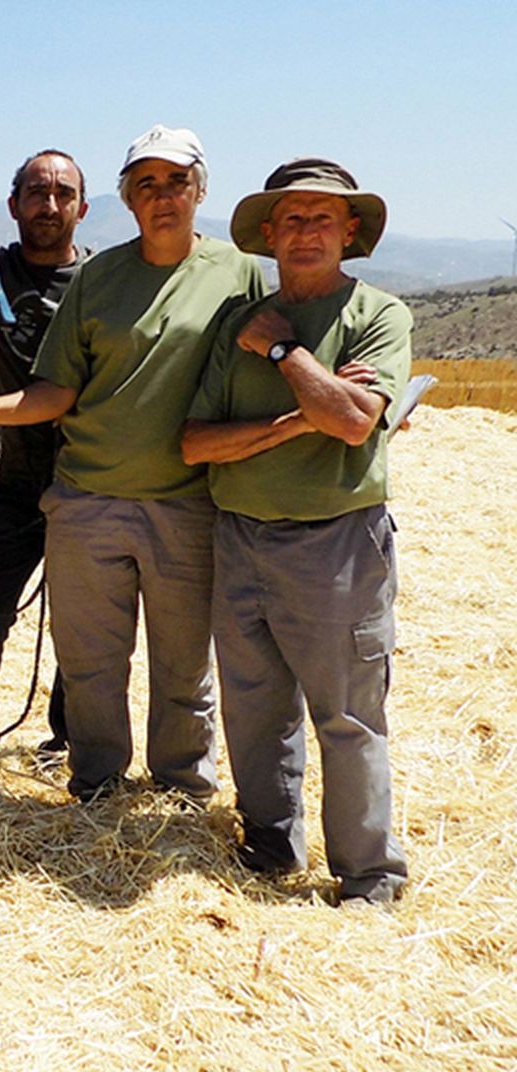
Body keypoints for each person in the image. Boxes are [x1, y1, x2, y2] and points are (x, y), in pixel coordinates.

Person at [0, 125, 264, 802]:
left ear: (199, 189)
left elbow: (264, 359)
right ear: (129, 200)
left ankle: (182, 789)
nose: (162, 197)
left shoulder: (239, 274)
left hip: (187, 501)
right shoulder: (97, 277)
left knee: (182, 668)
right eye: (146, 184)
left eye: (176, 181)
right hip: (83, 496)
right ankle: (92, 782)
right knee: (87, 661)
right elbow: (58, 387)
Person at [181, 159, 411, 906]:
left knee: (346, 715)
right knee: (253, 709)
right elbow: (195, 445)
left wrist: (285, 351)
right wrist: (300, 416)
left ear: (349, 233)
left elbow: (350, 422)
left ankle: (368, 877)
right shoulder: (232, 325)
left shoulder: (377, 315)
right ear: (270, 234)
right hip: (239, 534)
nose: (306, 231)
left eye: (323, 218)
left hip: (336, 541)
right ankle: (270, 848)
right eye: (293, 219)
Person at [0, 149, 90, 750]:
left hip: (89, 482)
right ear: (12, 206)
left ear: (82, 207)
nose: (48, 205)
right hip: (12, 481)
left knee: (81, 627)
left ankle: (69, 736)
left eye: (62, 193)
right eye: (36, 192)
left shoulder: (101, 283)